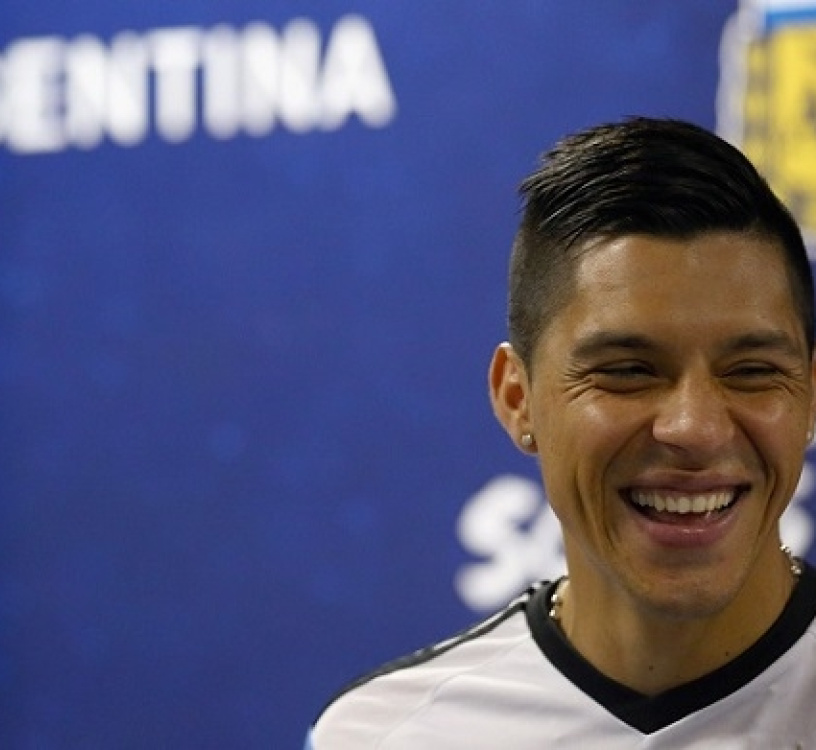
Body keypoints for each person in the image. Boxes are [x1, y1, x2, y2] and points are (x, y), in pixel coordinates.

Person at [305, 117, 816, 747]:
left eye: (752, 372)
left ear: (811, 394)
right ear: (517, 399)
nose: (696, 428)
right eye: (628, 372)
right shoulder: (389, 735)